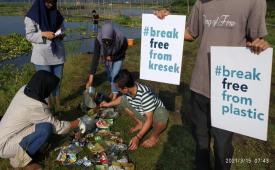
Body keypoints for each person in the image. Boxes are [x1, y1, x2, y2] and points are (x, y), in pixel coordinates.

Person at [155, 1, 270, 169]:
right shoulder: (201, 2)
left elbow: (257, 39)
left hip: (229, 90)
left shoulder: (254, 1)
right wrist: (167, 21)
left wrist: (261, 45)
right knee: (201, 140)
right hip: (199, 85)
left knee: (222, 147)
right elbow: (190, 34)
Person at [0, 71, 93, 169]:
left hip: (4, 133)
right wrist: (80, 121)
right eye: (51, 89)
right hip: (4, 145)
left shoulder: (24, 89)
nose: (51, 92)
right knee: (46, 128)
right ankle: (20, 161)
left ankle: (32, 149)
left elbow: (43, 114)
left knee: (46, 123)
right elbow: (58, 128)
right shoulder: (36, 106)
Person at [100, 69, 169, 150]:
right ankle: (140, 123)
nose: (118, 90)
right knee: (123, 102)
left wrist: (137, 137)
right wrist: (107, 104)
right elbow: (121, 99)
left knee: (162, 121)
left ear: (125, 88)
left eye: (119, 88)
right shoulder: (130, 89)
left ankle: (154, 137)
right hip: (143, 111)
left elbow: (149, 120)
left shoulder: (145, 95)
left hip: (155, 113)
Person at [24, 0, 66, 109]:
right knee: (45, 84)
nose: (50, 5)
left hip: (58, 53)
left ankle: (58, 104)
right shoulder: (32, 16)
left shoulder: (56, 14)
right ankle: (48, 107)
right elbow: (29, 36)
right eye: (48, 2)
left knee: (57, 80)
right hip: (42, 56)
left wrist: (61, 34)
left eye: (53, 2)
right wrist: (43, 34)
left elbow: (62, 29)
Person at [86, 23, 128, 100]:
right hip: (106, 58)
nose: (107, 43)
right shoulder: (98, 38)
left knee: (114, 75)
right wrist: (91, 76)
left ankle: (115, 94)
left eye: (109, 41)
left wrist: (113, 57)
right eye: (105, 41)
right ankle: (114, 90)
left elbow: (124, 50)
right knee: (110, 76)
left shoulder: (121, 37)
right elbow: (95, 57)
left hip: (118, 57)